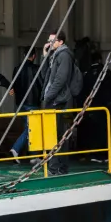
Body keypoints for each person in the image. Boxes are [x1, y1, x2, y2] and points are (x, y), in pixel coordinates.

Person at [41, 31, 80, 175]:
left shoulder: (64, 55)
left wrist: (48, 97)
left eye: (52, 41)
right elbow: (44, 75)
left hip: (59, 101)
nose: (49, 43)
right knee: (54, 134)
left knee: (58, 134)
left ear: (61, 42)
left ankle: (57, 168)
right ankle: (56, 167)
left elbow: (60, 80)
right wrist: (45, 55)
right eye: (48, 40)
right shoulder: (54, 56)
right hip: (55, 100)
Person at [8, 47, 43, 161]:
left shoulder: (17, 68)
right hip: (32, 103)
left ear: (24, 55)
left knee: (28, 128)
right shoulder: (37, 69)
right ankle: (15, 149)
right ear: (34, 56)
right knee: (31, 129)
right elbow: (41, 84)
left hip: (20, 104)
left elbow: (14, 85)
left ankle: (33, 156)